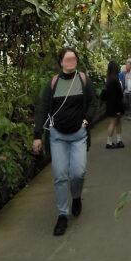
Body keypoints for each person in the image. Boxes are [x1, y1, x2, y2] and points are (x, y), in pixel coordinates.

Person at [32, 47, 96, 236]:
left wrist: (86, 120)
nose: (70, 62)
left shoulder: (83, 80)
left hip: (78, 136)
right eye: (67, 60)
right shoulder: (53, 83)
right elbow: (43, 110)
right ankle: (62, 215)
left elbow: (93, 103)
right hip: (57, 136)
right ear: (61, 62)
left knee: (78, 173)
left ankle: (76, 197)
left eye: (73, 59)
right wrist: (37, 136)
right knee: (60, 176)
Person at [101, 60, 125, 148]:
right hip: (115, 106)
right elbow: (116, 95)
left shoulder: (109, 80)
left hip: (111, 105)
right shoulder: (114, 80)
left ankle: (119, 140)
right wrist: (118, 109)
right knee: (113, 122)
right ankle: (109, 142)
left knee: (117, 122)